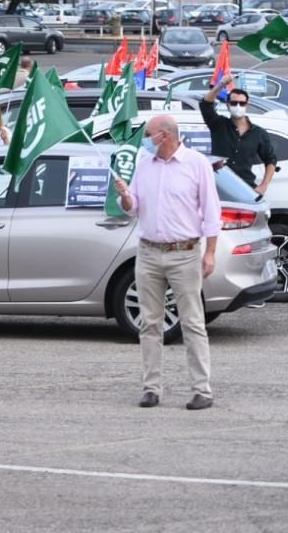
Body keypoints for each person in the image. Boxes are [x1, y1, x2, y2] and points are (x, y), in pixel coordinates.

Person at [114, 115, 221, 411]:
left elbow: (212, 213)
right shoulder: (145, 165)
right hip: (148, 252)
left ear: (165, 135)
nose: (145, 139)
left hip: (184, 252)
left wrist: (209, 253)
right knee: (149, 323)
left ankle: (202, 389)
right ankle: (151, 388)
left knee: (192, 322)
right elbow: (134, 208)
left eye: (148, 134)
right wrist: (124, 195)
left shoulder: (196, 163)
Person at [201, 77, 276, 195]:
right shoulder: (218, 125)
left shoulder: (259, 133)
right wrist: (221, 85)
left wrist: (263, 185)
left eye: (242, 103)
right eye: (234, 103)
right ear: (228, 105)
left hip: (246, 188)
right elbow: (205, 104)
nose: (238, 106)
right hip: (218, 188)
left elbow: (271, 160)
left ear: (247, 105)